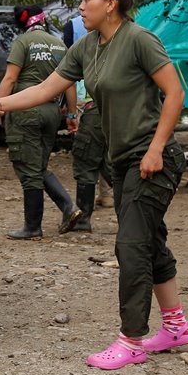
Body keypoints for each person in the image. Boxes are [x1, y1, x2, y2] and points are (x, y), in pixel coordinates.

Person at [0, 0, 188, 370]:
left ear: (110, 4)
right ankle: (175, 326)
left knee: (131, 246)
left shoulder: (140, 40)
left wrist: (156, 148)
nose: (80, 6)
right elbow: (44, 89)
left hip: (152, 160)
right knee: (148, 241)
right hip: (122, 162)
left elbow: (176, 92)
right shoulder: (86, 46)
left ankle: (133, 340)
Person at [0, 5, 82, 239]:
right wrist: (72, 115)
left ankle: (34, 225)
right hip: (52, 113)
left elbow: (10, 78)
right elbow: (70, 83)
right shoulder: (59, 45)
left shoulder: (23, 42)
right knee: (38, 165)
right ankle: (67, 207)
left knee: (28, 167)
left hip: (26, 111)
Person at [63, 14, 112, 232]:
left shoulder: (77, 31)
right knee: (109, 160)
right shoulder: (132, 33)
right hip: (118, 112)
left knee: (86, 160)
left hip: (92, 107)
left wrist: (72, 113)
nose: (83, 7)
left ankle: (83, 219)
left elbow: (68, 79)